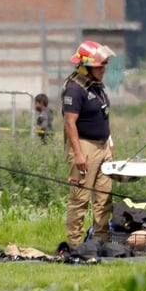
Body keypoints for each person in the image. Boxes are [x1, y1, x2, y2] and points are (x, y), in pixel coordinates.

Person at [62, 40, 116, 245]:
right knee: (80, 199)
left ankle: (100, 241)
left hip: (103, 146)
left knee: (104, 198)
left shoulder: (96, 85)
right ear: (85, 66)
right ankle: (75, 244)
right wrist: (77, 154)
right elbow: (69, 123)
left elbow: (103, 115)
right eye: (99, 66)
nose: (103, 69)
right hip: (84, 146)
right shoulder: (75, 89)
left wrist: (109, 140)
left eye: (103, 65)